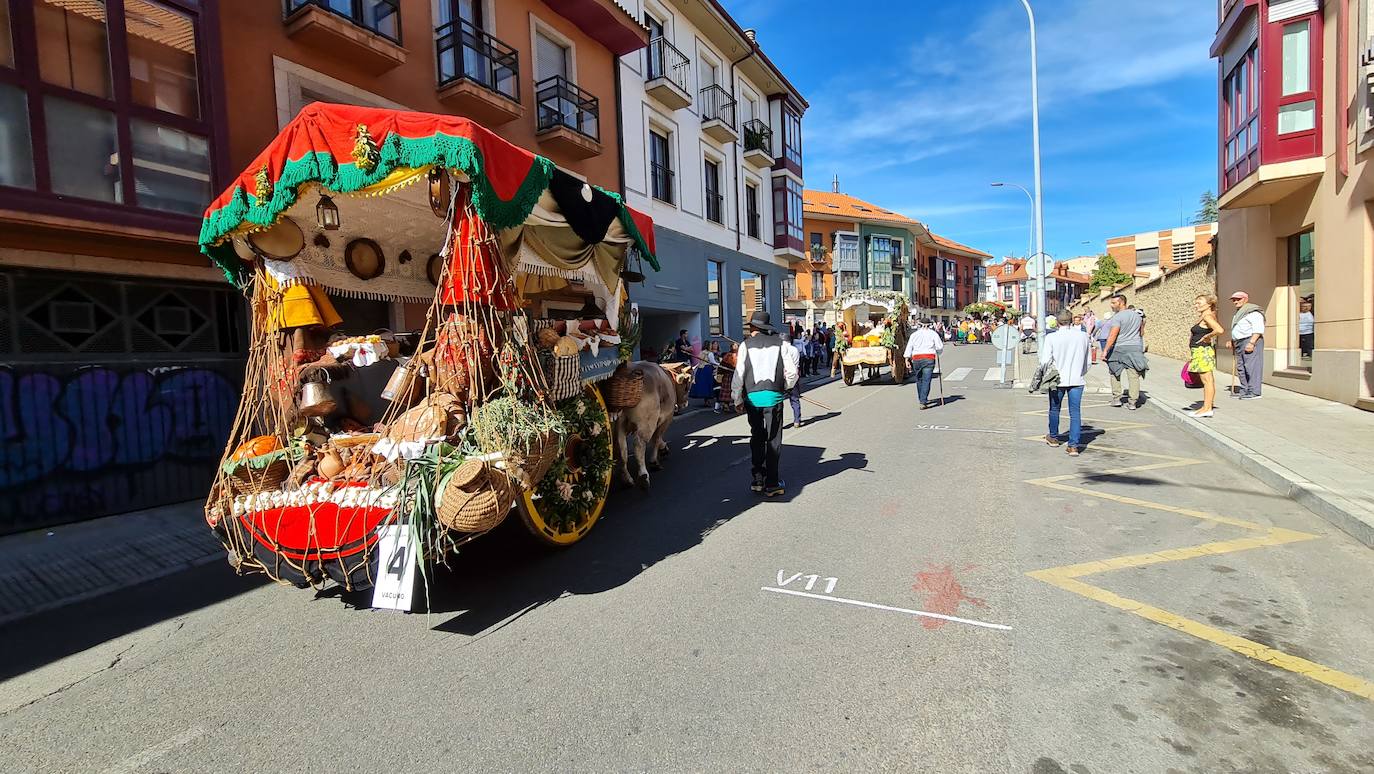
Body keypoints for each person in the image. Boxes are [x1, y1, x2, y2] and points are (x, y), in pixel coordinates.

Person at [732, 311, 799, 497]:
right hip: (773, 398)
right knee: (773, 440)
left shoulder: (745, 345)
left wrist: (737, 399)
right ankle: (772, 483)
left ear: (754, 328)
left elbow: (739, 374)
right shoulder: (781, 344)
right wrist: (785, 387)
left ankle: (758, 478)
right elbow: (792, 373)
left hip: (752, 398)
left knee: (757, 437)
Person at [1040, 309, 1092, 456]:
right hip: (1077, 379)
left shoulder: (1051, 337)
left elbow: (1045, 361)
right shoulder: (1083, 336)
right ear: (1071, 321)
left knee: (1054, 408)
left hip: (1057, 379)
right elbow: (1087, 362)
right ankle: (1073, 446)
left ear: (1057, 322)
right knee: (1075, 413)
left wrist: (1045, 375)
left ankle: (1054, 438)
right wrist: (1081, 373)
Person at [1102, 294, 1148, 410]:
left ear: (1121, 302)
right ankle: (1132, 402)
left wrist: (1105, 350)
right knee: (1133, 376)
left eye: (1114, 303)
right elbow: (1141, 333)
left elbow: (1113, 334)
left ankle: (1116, 398)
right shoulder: (1138, 316)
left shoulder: (1118, 317)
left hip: (1119, 347)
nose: (1112, 306)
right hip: (1135, 347)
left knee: (1114, 372)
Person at [1188, 294, 1225, 418]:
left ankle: (1207, 408)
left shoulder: (1208, 316)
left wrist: (1207, 337)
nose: (1196, 305)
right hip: (1199, 351)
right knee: (1206, 381)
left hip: (1203, 351)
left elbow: (1219, 330)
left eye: (1199, 302)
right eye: (1196, 302)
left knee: (1207, 381)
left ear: (1209, 304)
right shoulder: (1204, 316)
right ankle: (1206, 406)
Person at [1228, 291, 1265, 399]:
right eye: (1234, 300)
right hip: (1240, 342)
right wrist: (1232, 340)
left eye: (1238, 299)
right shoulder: (1239, 313)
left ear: (1245, 299)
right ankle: (1244, 390)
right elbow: (1238, 329)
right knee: (1241, 367)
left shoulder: (1253, 312)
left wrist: (1252, 342)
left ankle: (1254, 392)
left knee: (1251, 367)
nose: (1235, 301)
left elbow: (1258, 329)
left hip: (1249, 341)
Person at [903, 318, 945, 410]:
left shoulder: (914, 335)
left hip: (917, 358)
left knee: (919, 379)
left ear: (920, 324)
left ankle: (921, 399)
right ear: (930, 325)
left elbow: (909, 347)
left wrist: (907, 359)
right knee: (926, 380)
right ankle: (923, 400)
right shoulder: (933, 334)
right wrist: (938, 353)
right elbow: (940, 347)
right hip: (929, 358)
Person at [782, 332, 805, 428]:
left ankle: (779, 422)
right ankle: (797, 420)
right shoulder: (795, 349)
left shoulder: (782, 350)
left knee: (779, 401)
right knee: (795, 399)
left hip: (783, 377)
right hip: (794, 376)